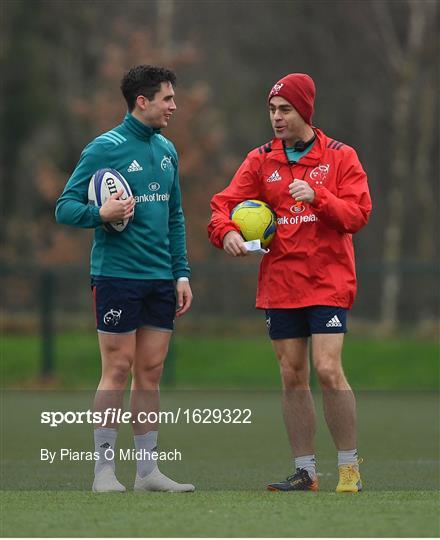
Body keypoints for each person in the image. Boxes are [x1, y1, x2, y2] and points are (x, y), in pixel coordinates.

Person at [208, 73, 372, 493]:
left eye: (285, 110)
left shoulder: (340, 157)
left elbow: (357, 215)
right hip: (280, 284)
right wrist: (225, 232)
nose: (276, 118)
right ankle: (305, 472)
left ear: (305, 111)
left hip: (328, 279)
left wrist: (319, 198)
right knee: (292, 375)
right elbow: (221, 206)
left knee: (327, 368)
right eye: (272, 110)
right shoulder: (261, 160)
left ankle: (350, 467)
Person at [56, 65, 194, 493]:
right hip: (116, 276)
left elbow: (174, 217)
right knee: (117, 367)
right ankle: (102, 472)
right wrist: (101, 214)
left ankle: (148, 472)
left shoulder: (168, 151)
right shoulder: (104, 148)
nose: (173, 106)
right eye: (167, 98)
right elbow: (64, 207)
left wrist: (181, 273)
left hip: (160, 279)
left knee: (150, 371)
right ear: (143, 101)